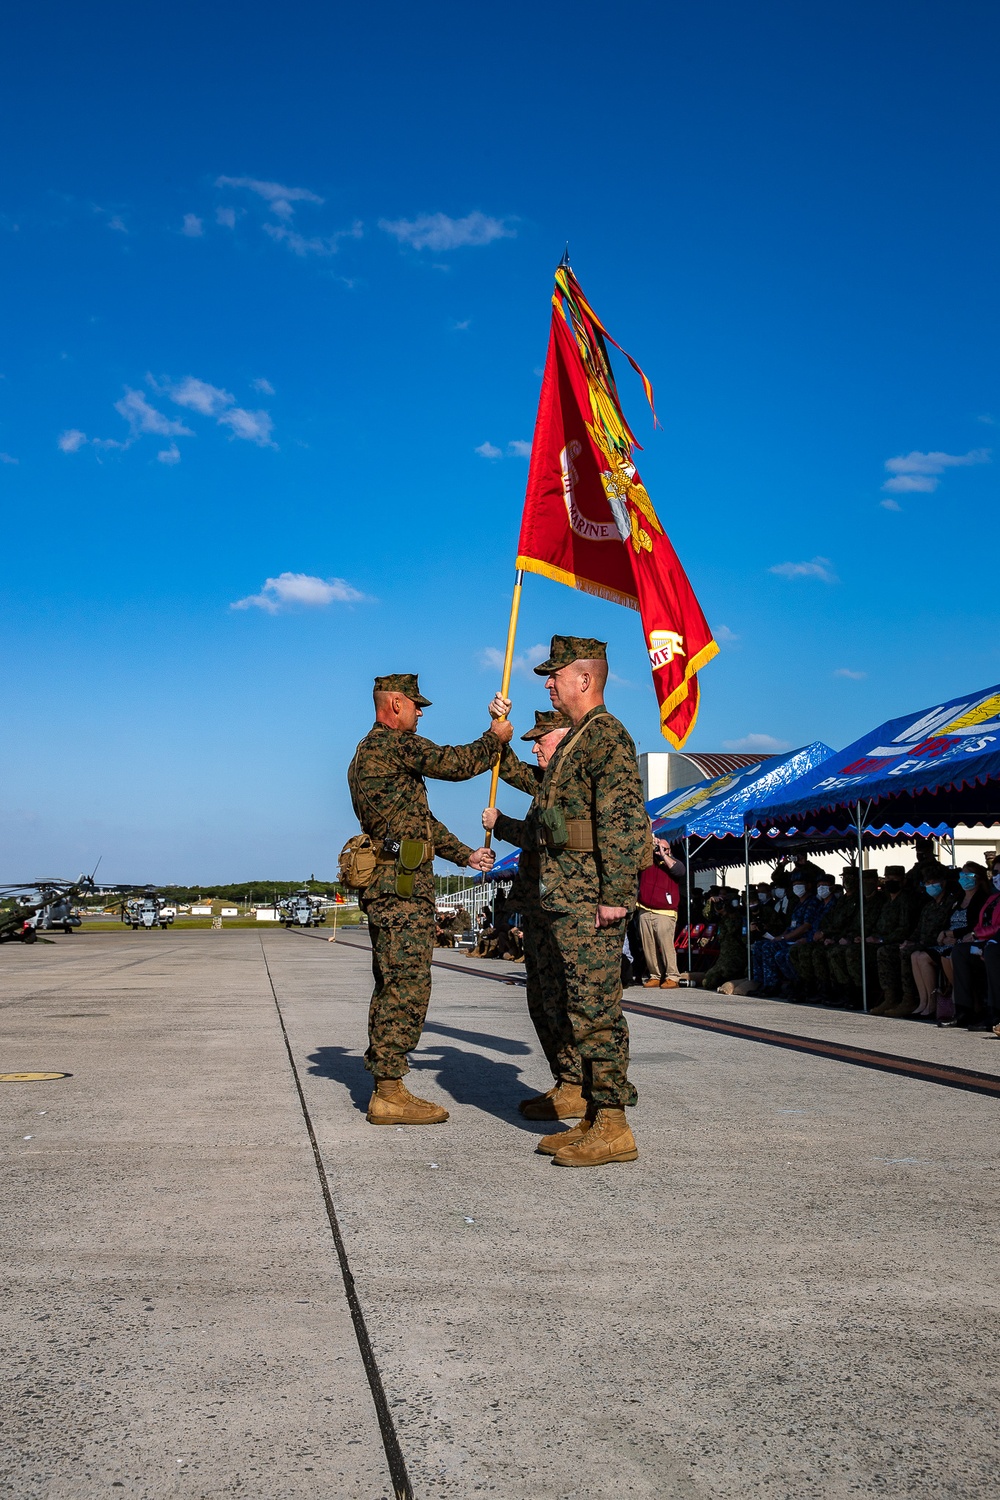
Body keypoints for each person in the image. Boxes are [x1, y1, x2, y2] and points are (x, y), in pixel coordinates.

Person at [494, 635, 649, 1167]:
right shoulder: (579, 740)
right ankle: (590, 1115)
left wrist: (617, 896)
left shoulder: (606, 737)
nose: (547, 683)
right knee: (578, 1006)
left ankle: (613, 1123)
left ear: (584, 679)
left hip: (589, 900)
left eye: (556, 674)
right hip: (565, 895)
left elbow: (624, 822)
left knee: (596, 1008)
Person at [347, 673, 512, 1125]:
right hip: (399, 888)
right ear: (395, 704)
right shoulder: (390, 745)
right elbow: (454, 764)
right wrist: (493, 738)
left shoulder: (375, 752)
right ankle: (389, 1090)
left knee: (397, 981)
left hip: (396, 881)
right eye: (416, 705)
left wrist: (465, 855)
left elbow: (421, 822)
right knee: (406, 985)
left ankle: (389, 1082)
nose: (420, 713)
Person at [483, 709, 584, 1119]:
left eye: (541, 740)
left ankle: (578, 1083)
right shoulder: (546, 780)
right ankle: (566, 1080)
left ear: (562, 738)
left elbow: (543, 836)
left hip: (565, 906)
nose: (535, 748)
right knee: (541, 998)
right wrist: (495, 730)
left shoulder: (573, 782)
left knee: (566, 998)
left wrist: (501, 824)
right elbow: (507, 769)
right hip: (538, 907)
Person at [947, 856, 1000, 1031]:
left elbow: (998, 927)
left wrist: (978, 934)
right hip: (985, 942)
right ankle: (963, 1011)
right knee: (960, 951)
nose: (996, 876)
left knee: (992, 952)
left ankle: (994, 1015)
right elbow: (980, 922)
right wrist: (974, 935)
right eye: (995, 872)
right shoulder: (993, 898)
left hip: (993, 943)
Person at [750, 874, 823, 997]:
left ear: (808, 886)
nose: (796, 887)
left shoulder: (812, 902)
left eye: (799, 884)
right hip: (790, 938)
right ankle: (763, 983)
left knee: (772, 950)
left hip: (803, 939)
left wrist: (785, 938)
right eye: (794, 885)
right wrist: (780, 937)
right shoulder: (798, 903)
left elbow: (806, 926)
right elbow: (791, 926)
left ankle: (778, 984)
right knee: (759, 946)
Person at [870, 865, 924, 1015]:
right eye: (887, 879)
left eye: (894, 879)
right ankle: (887, 997)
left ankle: (904, 999)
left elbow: (904, 928)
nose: (889, 882)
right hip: (882, 940)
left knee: (884, 952)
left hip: (898, 942)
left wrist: (882, 940)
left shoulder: (906, 901)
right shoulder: (888, 901)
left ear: (903, 881)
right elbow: (879, 924)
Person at [789, 872, 849, 1001]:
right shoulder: (820, 905)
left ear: (832, 887)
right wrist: (809, 938)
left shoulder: (836, 905)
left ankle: (825, 990)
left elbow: (838, 925)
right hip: (815, 939)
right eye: (819, 885)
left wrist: (826, 935)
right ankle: (807, 987)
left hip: (830, 940)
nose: (821, 888)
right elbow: (814, 927)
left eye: (824, 885)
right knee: (797, 950)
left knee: (815, 953)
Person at [905, 876, 959, 1018]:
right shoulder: (929, 906)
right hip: (928, 944)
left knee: (922, 957)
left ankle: (932, 1004)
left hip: (939, 944)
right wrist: (910, 941)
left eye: (932, 882)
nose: (929, 886)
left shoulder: (950, 903)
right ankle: (924, 1002)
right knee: (914, 955)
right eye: (927, 883)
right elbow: (919, 928)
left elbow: (943, 927)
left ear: (943, 883)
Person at [636, 837, 684, 989]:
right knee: (648, 946)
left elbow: (679, 871)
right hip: (645, 910)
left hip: (665, 912)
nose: (659, 850)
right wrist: (649, 842)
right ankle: (655, 975)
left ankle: (672, 976)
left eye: (664, 848)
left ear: (670, 850)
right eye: (657, 848)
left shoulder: (674, 863)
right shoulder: (646, 861)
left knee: (666, 945)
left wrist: (664, 855)